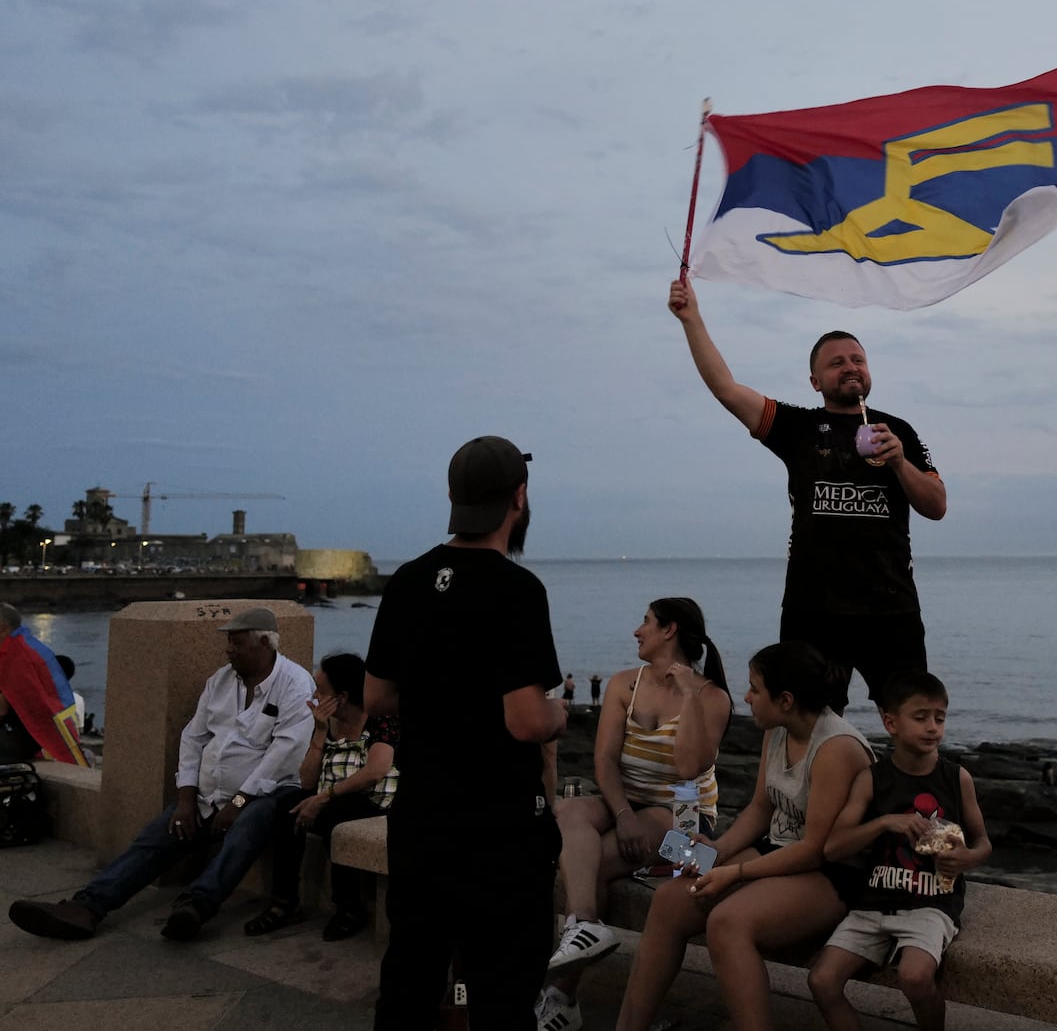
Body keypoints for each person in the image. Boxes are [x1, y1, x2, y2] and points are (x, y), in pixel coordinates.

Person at [364, 435, 568, 1030]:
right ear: (519, 499)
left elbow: (377, 697)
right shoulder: (517, 590)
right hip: (500, 829)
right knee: (503, 990)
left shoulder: (406, 580)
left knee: (409, 977)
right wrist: (561, 715)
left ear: (452, 499)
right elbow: (527, 719)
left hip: (421, 818)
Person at [668, 278, 946, 707]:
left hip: (892, 610)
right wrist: (691, 319)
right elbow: (726, 388)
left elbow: (937, 506)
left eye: (858, 359)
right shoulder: (796, 428)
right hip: (813, 610)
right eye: (836, 363)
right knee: (805, 727)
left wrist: (898, 462)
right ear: (815, 381)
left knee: (913, 718)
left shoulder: (899, 430)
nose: (850, 367)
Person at [8, 607, 314, 940]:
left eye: (236, 642)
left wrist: (239, 801)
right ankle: (87, 907)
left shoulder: (295, 683)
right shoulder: (221, 679)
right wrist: (186, 797)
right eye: (228, 641)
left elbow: (284, 753)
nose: (228, 649)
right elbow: (193, 736)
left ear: (265, 644)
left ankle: (196, 906)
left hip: (268, 793)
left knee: (246, 830)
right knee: (154, 838)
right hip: (208, 795)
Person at [614, 641, 873, 1031]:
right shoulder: (778, 731)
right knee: (670, 899)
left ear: (785, 699)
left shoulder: (836, 749)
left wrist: (732, 874)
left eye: (754, 688)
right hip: (778, 850)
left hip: (832, 871)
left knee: (729, 921)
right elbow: (759, 809)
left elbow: (814, 850)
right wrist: (717, 849)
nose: (747, 697)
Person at [538, 597, 734, 1031]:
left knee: (590, 864)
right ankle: (585, 925)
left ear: (670, 630)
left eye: (645, 622)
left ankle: (561, 998)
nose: (636, 631)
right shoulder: (624, 684)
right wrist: (623, 814)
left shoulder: (712, 697)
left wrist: (687, 695)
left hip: (685, 823)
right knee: (568, 810)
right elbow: (604, 760)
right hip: (624, 804)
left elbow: (687, 772)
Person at [809, 671, 991, 1031]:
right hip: (874, 903)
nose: (932, 728)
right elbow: (833, 847)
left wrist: (966, 858)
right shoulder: (872, 779)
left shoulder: (957, 778)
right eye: (920, 717)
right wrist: (884, 822)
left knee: (914, 977)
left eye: (940, 718)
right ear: (890, 722)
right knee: (822, 981)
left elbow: (983, 843)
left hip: (931, 904)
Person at [244, 651, 399, 942]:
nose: (314, 696)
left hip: (377, 804)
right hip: (334, 798)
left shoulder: (381, 719)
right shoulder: (328, 724)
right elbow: (306, 781)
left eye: (320, 691)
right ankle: (283, 901)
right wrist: (319, 733)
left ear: (340, 697)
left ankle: (349, 908)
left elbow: (375, 771)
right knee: (286, 806)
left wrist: (324, 797)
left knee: (335, 814)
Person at [0, 602, 87, 765]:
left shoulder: (13, 658)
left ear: (3, 628)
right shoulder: (29, 646)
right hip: (39, 736)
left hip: (22, 737)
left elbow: (2, 708)